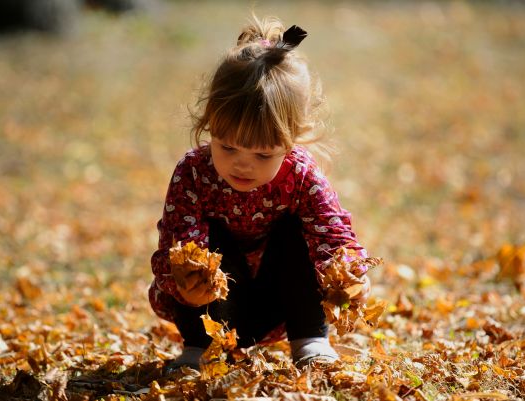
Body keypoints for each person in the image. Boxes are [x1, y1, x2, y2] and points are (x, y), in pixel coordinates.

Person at [148, 15, 373, 372]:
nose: (243, 165)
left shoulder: (300, 174)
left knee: (294, 232)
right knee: (193, 252)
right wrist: (186, 280)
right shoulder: (193, 172)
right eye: (228, 147)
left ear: (291, 141)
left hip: (279, 302)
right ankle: (198, 347)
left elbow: (332, 233)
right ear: (210, 126)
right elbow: (176, 240)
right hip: (210, 307)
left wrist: (348, 272)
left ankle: (310, 338)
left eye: (263, 154)